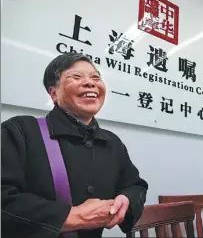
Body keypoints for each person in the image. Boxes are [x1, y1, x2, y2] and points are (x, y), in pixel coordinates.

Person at [1, 52, 149, 238]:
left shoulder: (112, 142)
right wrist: (73, 217)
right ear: (53, 93)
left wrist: (125, 200)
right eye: (76, 77)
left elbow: (135, 186)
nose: (90, 83)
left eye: (96, 77)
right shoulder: (19, 131)